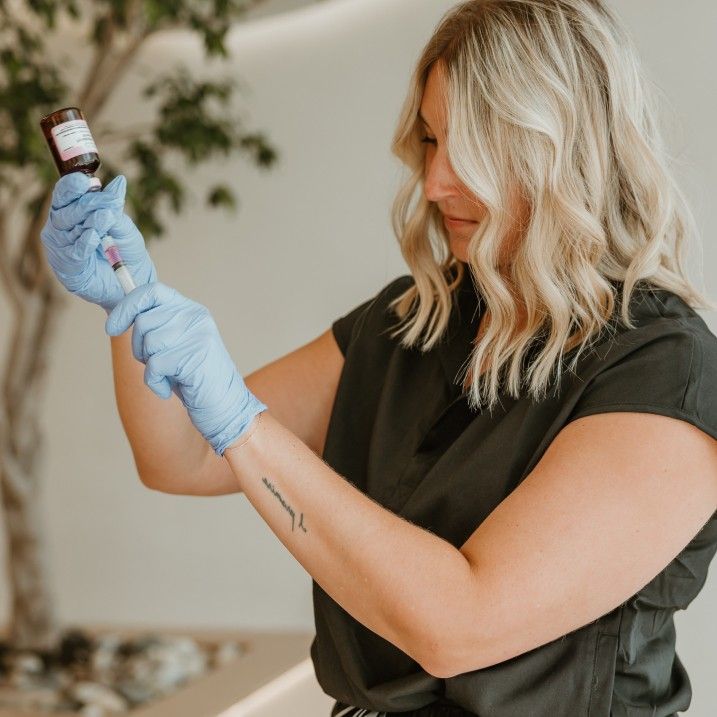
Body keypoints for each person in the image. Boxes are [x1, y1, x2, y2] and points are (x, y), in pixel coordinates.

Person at [39, 0, 717, 715]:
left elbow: (459, 625)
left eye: (473, 149)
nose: (434, 183)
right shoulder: (412, 320)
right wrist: (128, 300)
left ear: (562, 149)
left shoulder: (664, 372)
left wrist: (241, 421)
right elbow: (177, 456)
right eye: (430, 141)